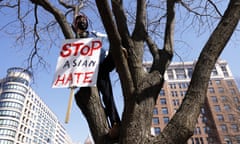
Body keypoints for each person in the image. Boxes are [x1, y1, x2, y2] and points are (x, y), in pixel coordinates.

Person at [72, 13, 121, 139]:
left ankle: (116, 123)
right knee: (105, 95)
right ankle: (110, 124)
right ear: (75, 25)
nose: (82, 21)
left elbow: (109, 37)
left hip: (102, 63)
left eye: (84, 19)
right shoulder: (74, 41)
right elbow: (72, 61)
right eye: (79, 20)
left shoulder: (94, 34)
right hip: (91, 71)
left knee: (108, 96)